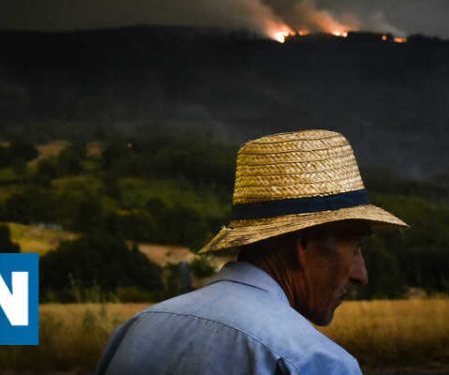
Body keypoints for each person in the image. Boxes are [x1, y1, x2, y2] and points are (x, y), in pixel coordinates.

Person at [96, 129, 408, 375]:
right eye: (355, 249)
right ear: (303, 246)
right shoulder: (310, 361)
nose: (361, 275)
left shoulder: (136, 331)